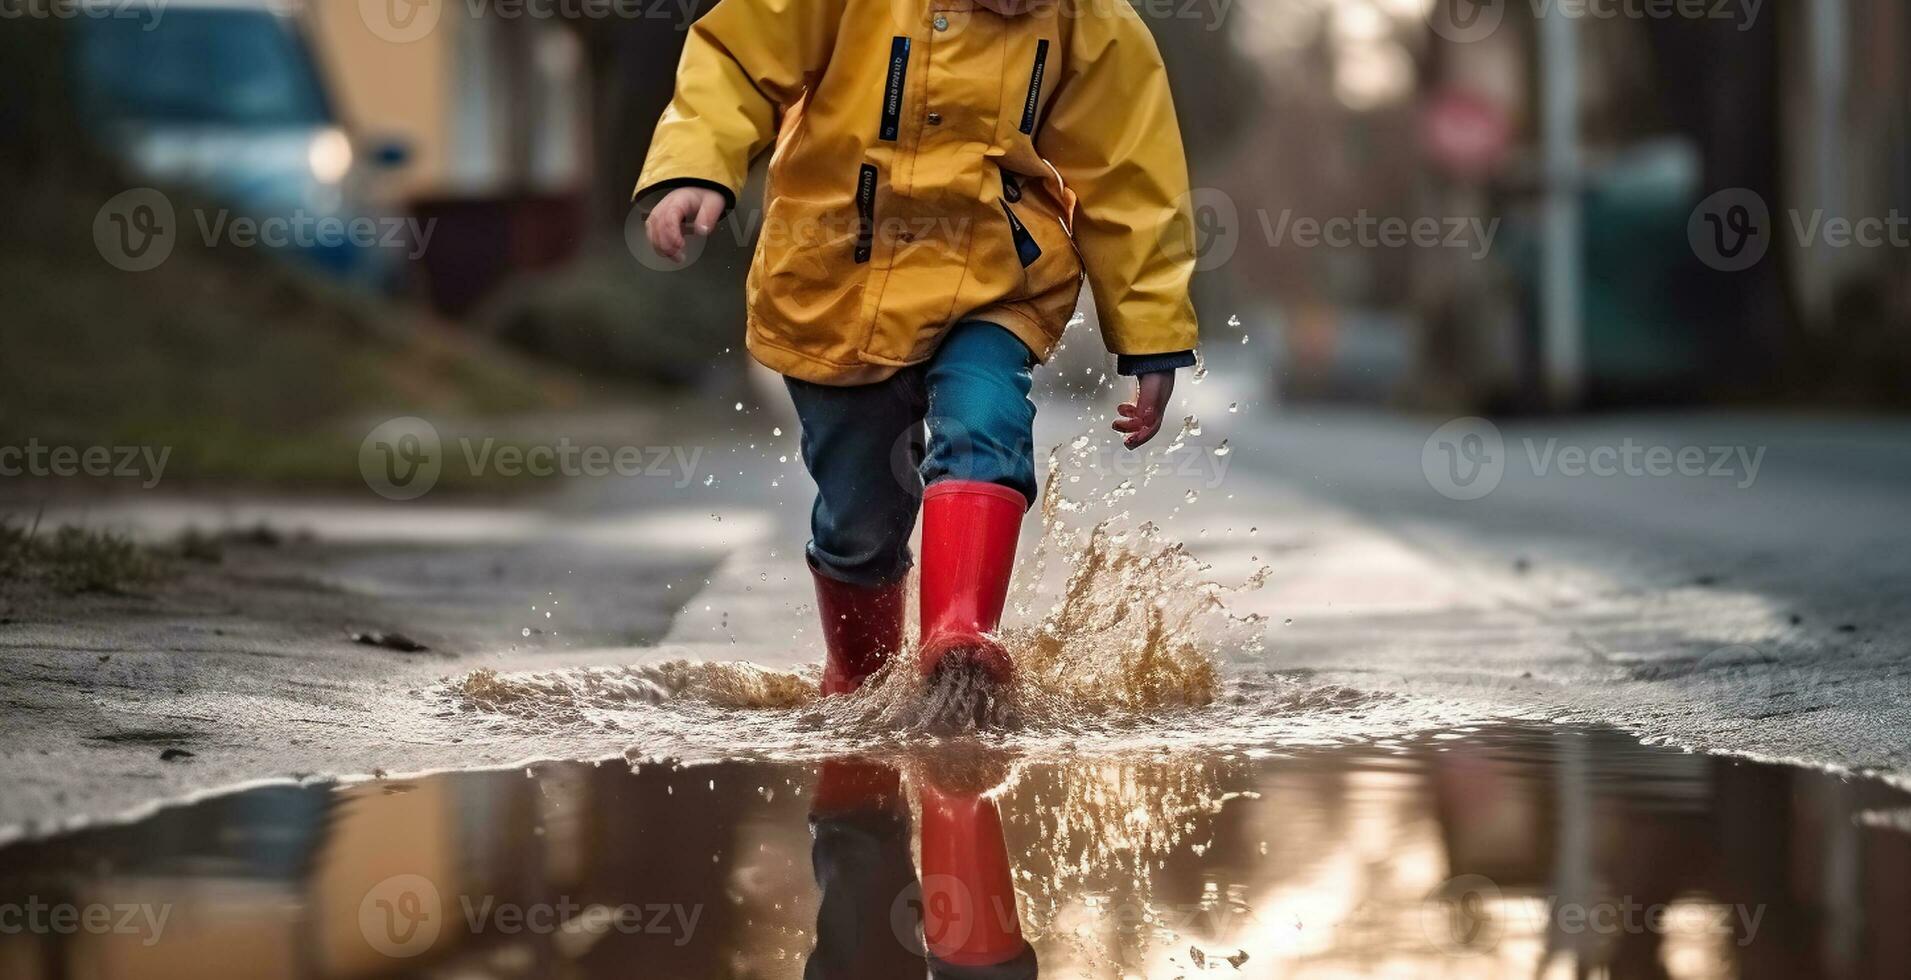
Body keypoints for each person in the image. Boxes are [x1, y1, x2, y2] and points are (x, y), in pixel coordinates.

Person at [638, 0, 1201, 694]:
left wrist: (1150, 335)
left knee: (985, 423)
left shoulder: (1091, 22)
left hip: (996, 280)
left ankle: (960, 638)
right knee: (859, 521)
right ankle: (859, 679)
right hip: (837, 282)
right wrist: (697, 165)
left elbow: (1130, 179)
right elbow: (735, 59)